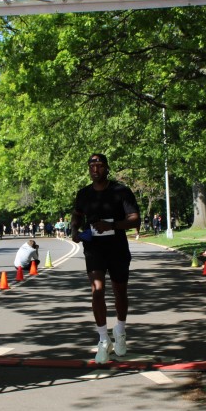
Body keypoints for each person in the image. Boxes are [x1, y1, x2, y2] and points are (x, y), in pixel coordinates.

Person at [72, 153, 141, 364]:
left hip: (117, 248)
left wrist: (111, 225)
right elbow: (77, 214)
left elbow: (135, 219)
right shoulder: (84, 193)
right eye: (92, 166)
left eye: (100, 166)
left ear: (107, 168)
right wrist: (74, 229)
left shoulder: (121, 191)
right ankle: (103, 339)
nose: (96, 169)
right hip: (94, 248)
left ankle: (120, 330)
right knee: (97, 290)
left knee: (120, 291)